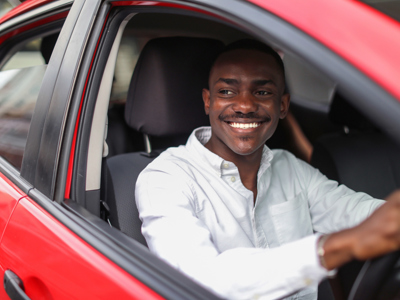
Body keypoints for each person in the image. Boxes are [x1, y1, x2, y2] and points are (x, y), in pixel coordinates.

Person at [135, 39, 400, 300]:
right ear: (207, 101)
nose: (245, 106)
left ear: (282, 106)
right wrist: (332, 248)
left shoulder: (291, 168)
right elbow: (200, 281)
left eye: (262, 92)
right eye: (227, 91)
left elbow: (353, 211)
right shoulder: (164, 179)